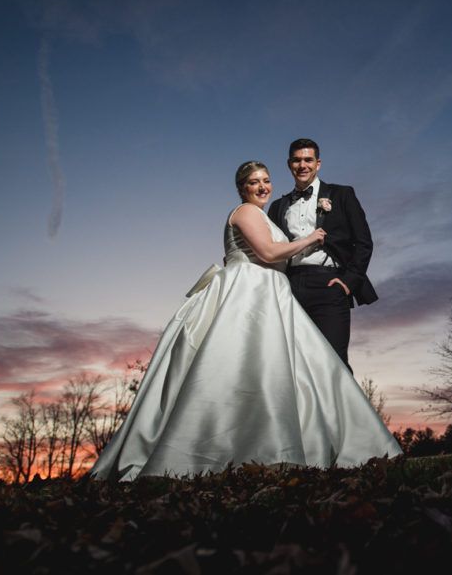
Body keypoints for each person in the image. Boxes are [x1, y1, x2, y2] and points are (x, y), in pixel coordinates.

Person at [89, 161, 401, 481]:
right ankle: (247, 449)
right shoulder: (246, 212)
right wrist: (311, 239)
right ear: (242, 188)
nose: (263, 186)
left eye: (266, 180)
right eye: (255, 182)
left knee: (292, 373)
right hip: (251, 294)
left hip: (272, 293)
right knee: (246, 369)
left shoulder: (259, 215)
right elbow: (267, 253)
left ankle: (290, 446)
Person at [267, 139, 376, 372]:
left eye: (308, 160)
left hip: (329, 284)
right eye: (297, 160)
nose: (302, 165)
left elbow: (364, 242)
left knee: (333, 363)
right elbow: (271, 249)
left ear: (318, 164)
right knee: (294, 365)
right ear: (289, 164)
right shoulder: (277, 206)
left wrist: (347, 283)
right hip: (290, 288)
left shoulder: (342, 194)